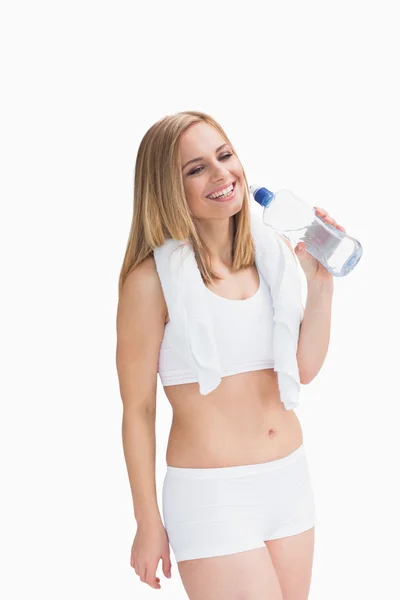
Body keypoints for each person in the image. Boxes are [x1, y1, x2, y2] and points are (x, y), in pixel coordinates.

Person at [116, 110, 344, 599]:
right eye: (196, 168)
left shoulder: (275, 254)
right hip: (212, 497)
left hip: (289, 482)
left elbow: (301, 370)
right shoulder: (150, 282)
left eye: (224, 156)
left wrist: (320, 289)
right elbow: (138, 409)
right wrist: (146, 520)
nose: (221, 174)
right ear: (167, 188)